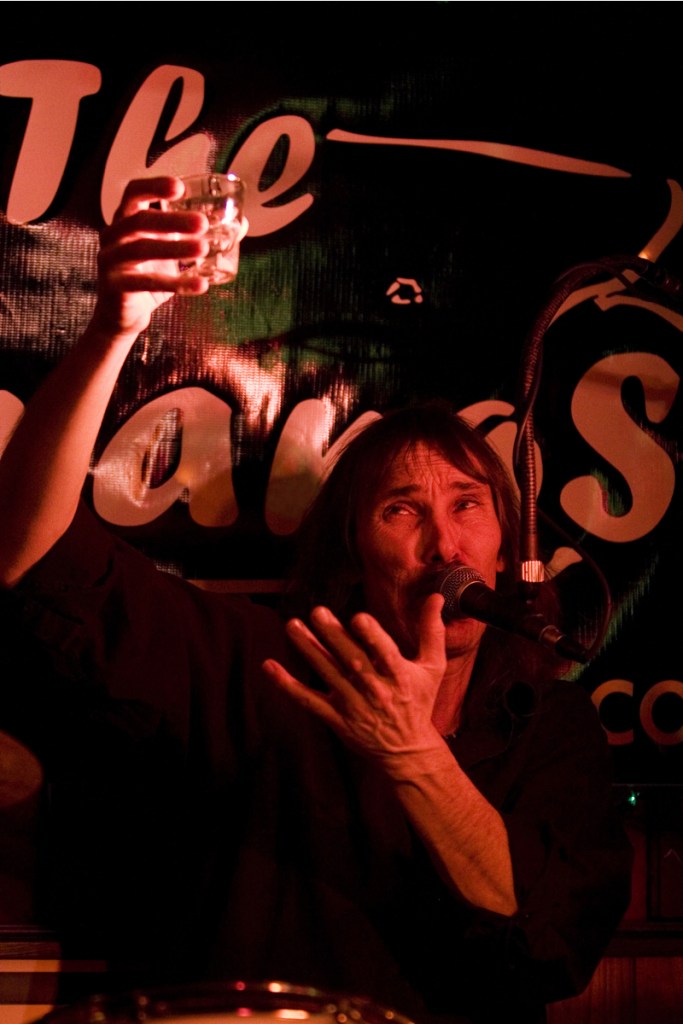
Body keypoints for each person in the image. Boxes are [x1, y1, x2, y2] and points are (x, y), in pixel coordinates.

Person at [0, 177, 632, 1024]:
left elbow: (552, 944)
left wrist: (413, 755)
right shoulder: (259, 667)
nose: (444, 544)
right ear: (354, 553)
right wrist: (113, 331)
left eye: (467, 505)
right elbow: (33, 558)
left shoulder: (552, 732)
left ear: (505, 544)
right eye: (402, 509)